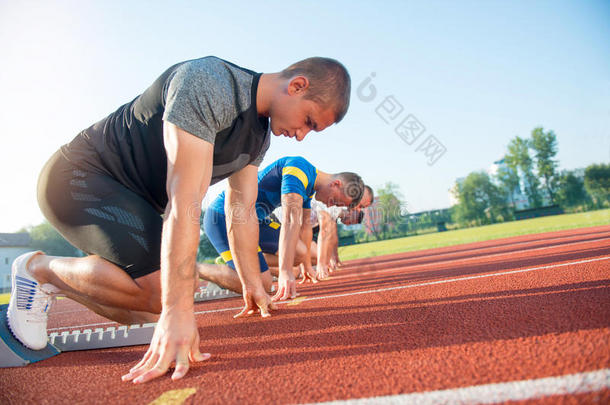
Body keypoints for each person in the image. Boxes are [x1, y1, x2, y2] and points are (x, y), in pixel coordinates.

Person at [7, 56, 351, 384]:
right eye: (308, 121)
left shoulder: (259, 136)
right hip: (80, 178)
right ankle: (39, 270)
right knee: (166, 298)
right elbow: (185, 200)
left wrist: (251, 283)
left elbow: (241, 209)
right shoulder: (210, 83)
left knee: (148, 310)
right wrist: (177, 309)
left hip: (134, 201)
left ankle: (57, 282)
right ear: (297, 86)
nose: (303, 135)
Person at [199, 156, 364, 298]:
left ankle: (243, 260)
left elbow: (304, 227)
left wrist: (306, 266)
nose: (330, 205)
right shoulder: (298, 169)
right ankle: (194, 269)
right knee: (263, 285)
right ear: (336, 184)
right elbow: (290, 220)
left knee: (300, 252)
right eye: (335, 201)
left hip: (255, 220)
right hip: (223, 216)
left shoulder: (309, 187)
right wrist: (285, 272)